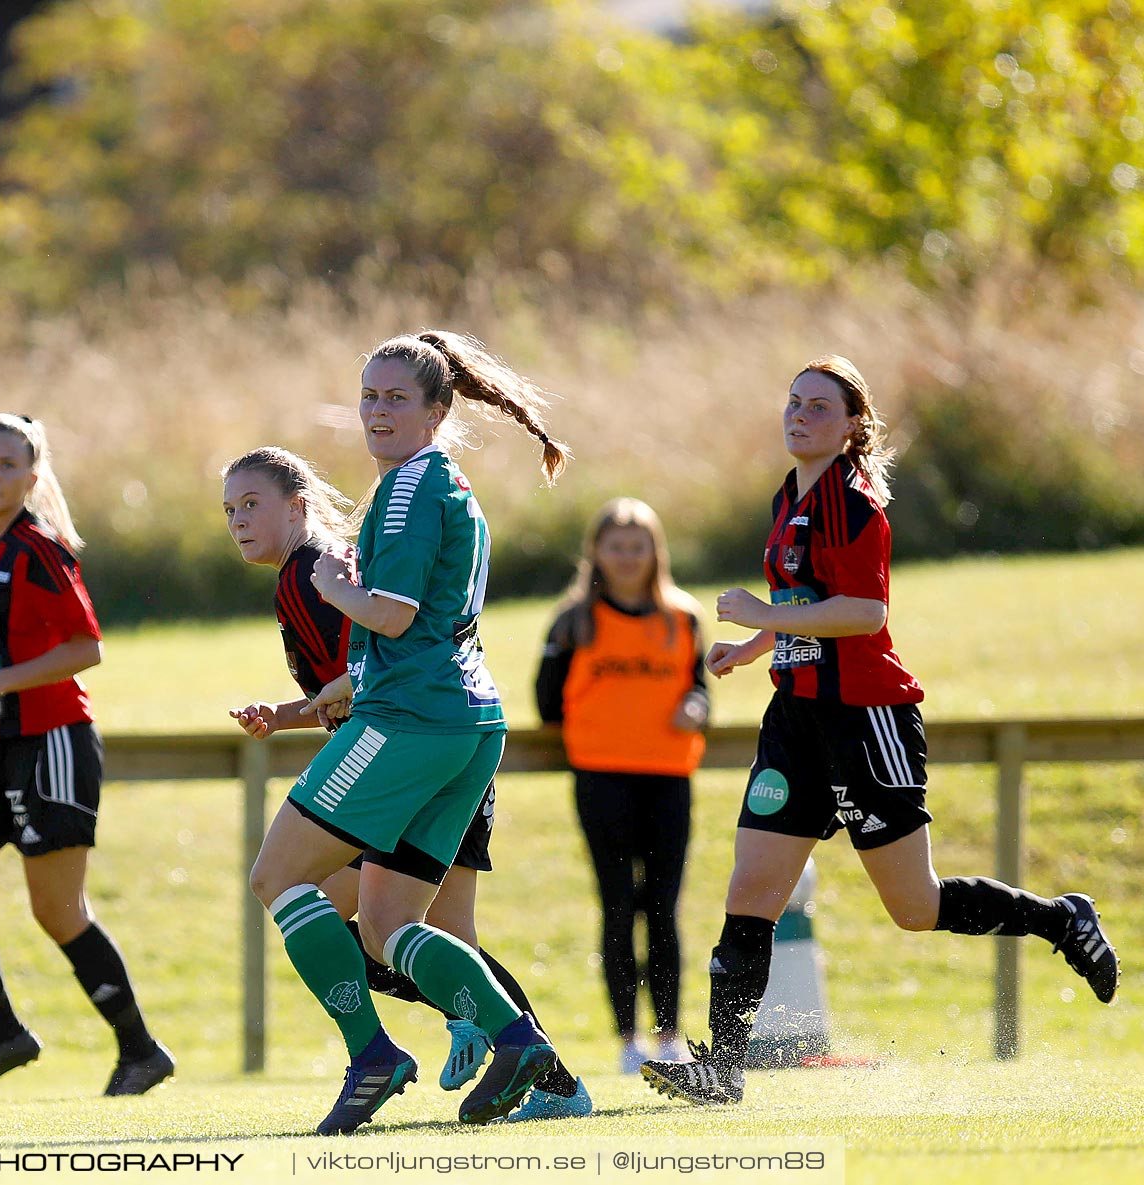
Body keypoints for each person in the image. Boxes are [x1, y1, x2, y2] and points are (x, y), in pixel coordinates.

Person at [641, 356, 1121, 1106]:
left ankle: (1062, 919)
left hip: (867, 720)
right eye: (793, 402)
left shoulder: (853, 501)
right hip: (795, 718)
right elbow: (810, 601)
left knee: (914, 907)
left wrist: (765, 617)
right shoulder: (790, 494)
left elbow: (864, 613)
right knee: (751, 887)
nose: (799, 415)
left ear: (853, 425)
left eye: (819, 407)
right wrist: (756, 645)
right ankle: (724, 1067)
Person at [245, 330, 574, 1135]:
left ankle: (373, 1055)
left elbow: (390, 617)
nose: (377, 410)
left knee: (276, 875)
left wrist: (335, 584)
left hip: (406, 720)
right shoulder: (450, 485)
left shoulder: (404, 489)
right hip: (469, 721)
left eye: (396, 397)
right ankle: (518, 1040)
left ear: (437, 408)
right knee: (392, 927)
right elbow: (422, 619)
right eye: (368, 395)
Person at [0, 413, 174, 1101]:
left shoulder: (40, 548)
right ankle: (5, 1034)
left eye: (7, 464)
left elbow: (86, 648)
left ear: (33, 474)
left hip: (53, 744)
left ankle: (140, 1051)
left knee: (57, 910)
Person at [536, 498, 707, 1075]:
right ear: (596, 553)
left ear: (655, 552)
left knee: (663, 908)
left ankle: (669, 1037)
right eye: (616, 546)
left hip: (668, 776)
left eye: (638, 547)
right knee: (616, 904)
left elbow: (699, 689)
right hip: (601, 775)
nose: (628, 557)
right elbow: (546, 700)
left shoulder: (682, 617)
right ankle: (628, 1040)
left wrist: (694, 705)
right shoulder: (573, 620)